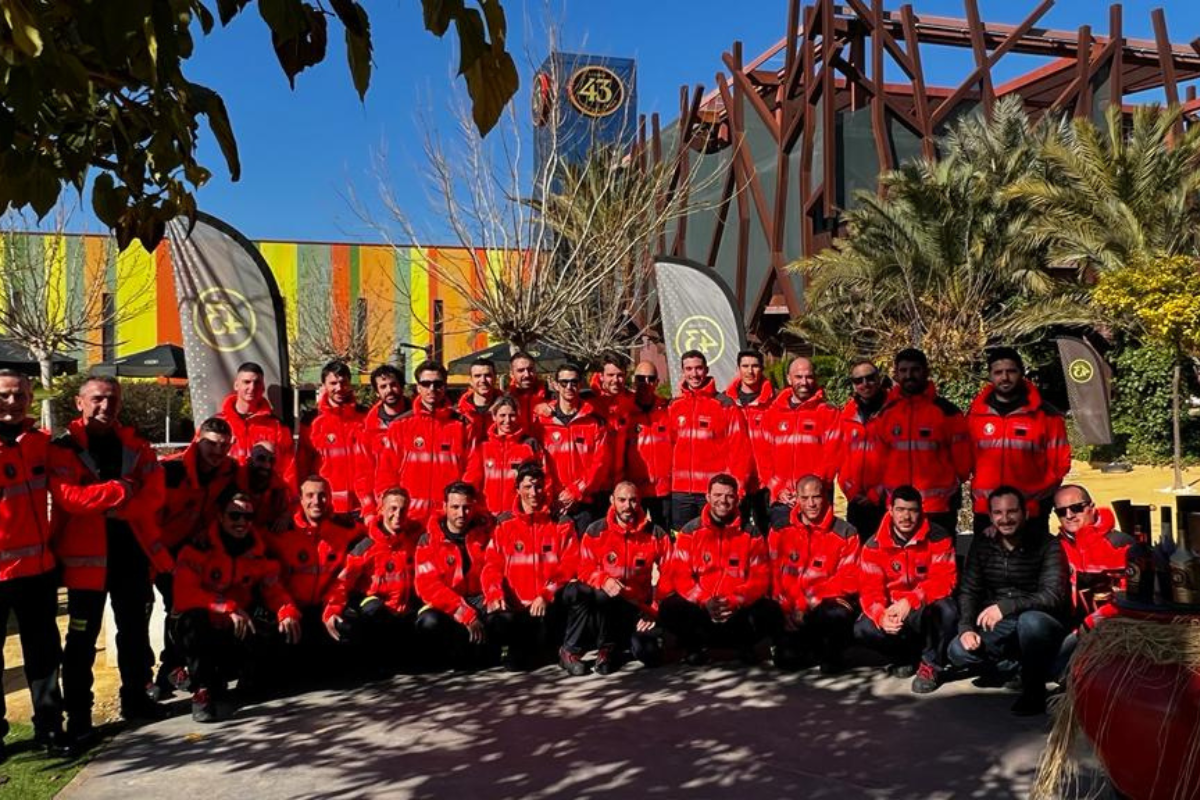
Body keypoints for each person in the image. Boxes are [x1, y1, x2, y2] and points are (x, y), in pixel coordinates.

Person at [51, 376, 173, 744]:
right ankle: (79, 715)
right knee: (81, 641)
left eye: (112, 399)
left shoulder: (136, 445)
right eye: (98, 399)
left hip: (131, 555)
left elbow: (154, 495)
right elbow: (70, 498)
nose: (106, 406)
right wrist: (119, 490)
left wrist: (112, 509)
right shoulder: (62, 447)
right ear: (80, 402)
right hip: (85, 564)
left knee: (134, 633)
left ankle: (136, 698)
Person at [172, 488, 301, 722]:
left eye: (248, 517)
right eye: (234, 516)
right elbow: (183, 594)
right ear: (220, 517)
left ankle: (246, 676)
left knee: (274, 621)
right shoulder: (198, 547)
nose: (241, 522)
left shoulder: (258, 551)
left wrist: (287, 611)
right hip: (203, 628)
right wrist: (227, 606)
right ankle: (201, 690)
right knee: (193, 620)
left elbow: (275, 589)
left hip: (237, 628)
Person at [949, 486, 1070, 716]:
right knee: (957, 651)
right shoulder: (982, 544)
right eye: (998, 513)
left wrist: (1006, 607)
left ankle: (1033, 691)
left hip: (1039, 620)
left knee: (1030, 622)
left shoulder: (1047, 544)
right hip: (1000, 625)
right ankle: (1019, 666)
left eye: (1012, 511)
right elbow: (969, 590)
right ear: (990, 515)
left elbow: (1053, 595)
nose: (1005, 519)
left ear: (1025, 513)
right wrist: (966, 628)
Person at [0, 370, 69, 758]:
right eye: (5, 396)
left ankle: (49, 728)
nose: (13, 404)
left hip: (37, 573)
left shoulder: (41, 443)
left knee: (44, 657)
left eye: (20, 396)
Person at [154, 416, 239, 700]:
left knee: (184, 608)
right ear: (197, 440)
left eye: (224, 446)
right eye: (212, 444)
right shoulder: (171, 470)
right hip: (158, 549)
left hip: (191, 548)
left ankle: (175, 668)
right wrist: (157, 555)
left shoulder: (227, 470)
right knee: (176, 608)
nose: (218, 451)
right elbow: (147, 515)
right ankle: (172, 669)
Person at [480, 461, 585, 674]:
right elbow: (491, 565)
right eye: (527, 487)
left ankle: (568, 650)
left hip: (549, 606)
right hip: (519, 611)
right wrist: (494, 592)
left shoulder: (562, 522)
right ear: (517, 489)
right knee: (515, 664)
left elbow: (570, 564)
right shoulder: (504, 524)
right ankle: (524, 648)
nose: (534, 492)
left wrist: (546, 594)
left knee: (579, 592)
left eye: (538, 486)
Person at [657, 474, 771, 666]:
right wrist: (705, 600)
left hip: (736, 608)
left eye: (728, 496)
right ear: (708, 497)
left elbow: (760, 578)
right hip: (703, 608)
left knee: (771, 611)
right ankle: (697, 647)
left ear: (737, 498)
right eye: (717, 495)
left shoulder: (752, 533)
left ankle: (739, 647)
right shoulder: (690, 531)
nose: (723, 501)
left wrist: (735, 601)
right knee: (670, 608)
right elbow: (680, 575)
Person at [854, 485, 958, 694]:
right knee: (862, 629)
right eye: (900, 510)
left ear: (921, 511)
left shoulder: (938, 537)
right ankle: (905, 656)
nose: (906, 516)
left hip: (924, 607)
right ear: (890, 510)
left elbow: (945, 580)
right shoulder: (873, 545)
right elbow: (870, 590)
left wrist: (910, 600)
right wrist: (880, 616)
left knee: (947, 610)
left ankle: (931, 664)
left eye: (912, 510)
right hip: (893, 611)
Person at [265, 475, 367, 672]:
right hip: (293, 610)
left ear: (329, 498)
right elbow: (269, 580)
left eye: (322, 495)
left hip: (324, 608)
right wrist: (285, 610)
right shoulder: (282, 532)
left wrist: (334, 607)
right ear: (301, 500)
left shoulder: (343, 529)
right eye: (310, 495)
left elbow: (374, 534)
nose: (316, 501)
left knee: (351, 631)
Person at [967, 347, 1071, 535]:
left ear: (1021, 373)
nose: (1005, 377)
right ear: (990, 376)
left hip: (1031, 510)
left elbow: (1060, 463)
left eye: (1011, 371)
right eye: (998, 372)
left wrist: (1039, 497)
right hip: (986, 511)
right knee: (987, 563)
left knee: (1030, 564)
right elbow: (964, 461)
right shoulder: (975, 415)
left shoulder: (1047, 415)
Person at [763, 475, 860, 673]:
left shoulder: (846, 532)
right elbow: (771, 573)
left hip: (821, 606)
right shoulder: (779, 529)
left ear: (825, 496)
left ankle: (831, 652)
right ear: (796, 498)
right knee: (787, 661)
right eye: (805, 498)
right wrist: (785, 608)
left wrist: (807, 603)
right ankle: (806, 648)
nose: (811, 504)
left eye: (816, 497)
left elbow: (849, 579)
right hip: (789, 609)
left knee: (837, 615)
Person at [323, 487, 424, 672]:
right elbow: (343, 581)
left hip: (405, 611)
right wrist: (331, 609)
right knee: (374, 611)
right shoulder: (366, 545)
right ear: (381, 510)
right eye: (393, 508)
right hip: (378, 612)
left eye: (403, 509)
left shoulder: (414, 539)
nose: (398, 514)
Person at [575, 482, 670, 674]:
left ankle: (624, 645)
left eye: (633, 500)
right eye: (622, 500)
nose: (628, 506)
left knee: (650, 655)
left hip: (638, 607)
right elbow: (583, 568)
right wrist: (603, 579)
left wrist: (654, 609)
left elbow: (671, 572)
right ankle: (605, 647)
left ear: (640, 501)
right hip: (606, 606)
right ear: (612, 501)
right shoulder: (595, 531)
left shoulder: (655, 533)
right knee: (591, 595)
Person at [876, 348, 972, 534]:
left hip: (938, 507)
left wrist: (949, 491)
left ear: (926, 372)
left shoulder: (947, 412)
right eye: (903, 371)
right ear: (896, 374)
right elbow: (878, 460)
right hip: (898, 507)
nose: (909, 375)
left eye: (915, 370)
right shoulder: (886, 413)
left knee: (940, 561)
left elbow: (963, 463)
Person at [374, 360, 468, 521]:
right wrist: (388, 511)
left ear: (445, 386)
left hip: (448, 519)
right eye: (426, 384)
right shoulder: (400, 425)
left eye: (437, 384)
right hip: (409, 517)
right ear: (418, 388)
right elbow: (386, 474)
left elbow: (471, 472)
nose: (432, 389)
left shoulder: (462, 425)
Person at [414, 482, 495, 669]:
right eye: (455, 507)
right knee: (429, 623)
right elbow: (428, 586)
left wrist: (494, 596)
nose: (461, 513)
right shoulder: (428, 541)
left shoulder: (485, 532)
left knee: (503, 617)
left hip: (478, 598)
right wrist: (465, 613)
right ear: (444, 507)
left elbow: (494, 567)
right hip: (448, 605)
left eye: (466, 508)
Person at [668, 351, 751, 531]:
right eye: (689, 369)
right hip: (680, 493)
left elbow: (740, 450)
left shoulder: (725, 405)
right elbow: (668, 447)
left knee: (713, 543)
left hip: (713, 493)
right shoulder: (674, 406)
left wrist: (738, 488)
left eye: (698, 368)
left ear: (706, 369)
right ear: (683, 371)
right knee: (683, 543)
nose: (694, 374)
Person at [760, 357, 840, 529]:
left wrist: (808, 491)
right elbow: (763, 458)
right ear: (789, 379)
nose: (804, 382)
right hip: (783, 500)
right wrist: (778, 489)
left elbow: (832, 457)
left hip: (815, 501)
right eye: (798, 377)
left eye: (809, 377)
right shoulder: (772, 414)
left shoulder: (828, 413)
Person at [533, 363, 610, 534]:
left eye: (574, 382)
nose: (569, 387)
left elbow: (600, 463)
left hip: (585, 503)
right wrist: (550, 494)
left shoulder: (594, 421)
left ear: (580, 384)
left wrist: (575, 492)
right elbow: (537, 462)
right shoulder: (541, 421)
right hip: (552, 502)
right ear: (555, 384)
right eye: (564, 382)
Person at [297, 360, 368, 516]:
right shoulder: (311, 420)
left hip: (362, 506)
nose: (339, 388)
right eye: (333, 383)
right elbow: (303, 466)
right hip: (327, 506)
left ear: (350, 383)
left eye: (343, 383)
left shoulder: (365, 416)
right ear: (323, 385)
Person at [1052, 485, 1132, 620]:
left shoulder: (1121, 542)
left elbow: (1133, 597)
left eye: (1076, 508)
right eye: (1061, 512)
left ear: (1092, 507)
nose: (1069, 515)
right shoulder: (1053, 548)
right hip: (1066, 624)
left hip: (1114, 623)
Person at [833, 359, 889, 541]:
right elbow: (841, 458)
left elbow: (900, 459)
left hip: (886, 500)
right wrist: (850, 490)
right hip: (856, 500)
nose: (865, 384)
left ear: (879, 379)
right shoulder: (846, 415)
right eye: (859, 380)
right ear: (853, 385)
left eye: (870, 378)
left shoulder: (894, 412)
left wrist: (877, 493)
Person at [216, 361, 295, 487]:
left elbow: (289, 469)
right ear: (236, 385)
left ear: (263, 388)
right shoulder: (218, 423)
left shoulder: (277, 426)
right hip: (224, 496)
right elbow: (197, 455)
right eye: (246, 382)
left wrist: (288, 500)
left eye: (257, 383)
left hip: (264, 498)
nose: (252, 387)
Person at [463, 395, 545, 516]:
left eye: (512, 415)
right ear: (494, 416)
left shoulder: (528, 446)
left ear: (518, 417)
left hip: (517, 516)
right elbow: (471, 481)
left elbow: (543, 480)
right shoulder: (483, 447)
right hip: (488, 516)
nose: (507, 420)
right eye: (502, 415)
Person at [725, 349, 775, 533]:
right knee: (738, 531)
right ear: (738, 368)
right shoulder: (726, 402)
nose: (750, 371)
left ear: (762, 368)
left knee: (768, 532)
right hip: (737, 479)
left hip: (766, 481)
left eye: (755, 366)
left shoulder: (774, 402)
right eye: (745, 366)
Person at [357, 364, 407, 521]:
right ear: (377, 392)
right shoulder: (368, 429)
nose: (389, 390)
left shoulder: (419, 422)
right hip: (382, 509)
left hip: (414, 505)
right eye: (383, 386)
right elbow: (363, 474)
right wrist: (369, 509)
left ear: (401, 386)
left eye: (393, 385)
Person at [626, 361, 673, 530]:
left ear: (657, 383)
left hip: (664, 490)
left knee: (667, 535)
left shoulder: (668, 409)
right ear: (633, 380)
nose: (645, 383)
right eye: (640, 378)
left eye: (650, 379)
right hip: (635, 491)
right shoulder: (625, 412)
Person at [589, 352, 636, 503]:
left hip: (620, 485)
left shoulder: (631, 402)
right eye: (610, 375)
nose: (616, 380)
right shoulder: (587, 402)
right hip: (593, 485)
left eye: (620, 375)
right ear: (601, 376)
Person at [236, 442, 293, 532]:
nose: (267, 465)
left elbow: (288, 509)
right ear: (249, 460)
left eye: (271, 461)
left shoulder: (278, 488)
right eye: (261, 459)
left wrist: (285, 516)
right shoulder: (234, 481)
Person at [457, 357, 500, 448]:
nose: (483, 380)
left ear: (495, 378)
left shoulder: (508, 410)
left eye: (487, 375)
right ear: (470, 380)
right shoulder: (459, 413)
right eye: (477, 376)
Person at [506, 352, 551, 431]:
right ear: (512, 374)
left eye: (530, 370)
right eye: (521, 370)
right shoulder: (506, 400)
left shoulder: (550, 397)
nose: (527, 374)